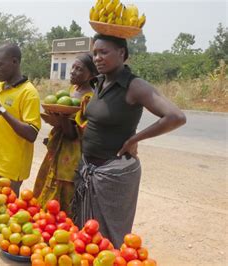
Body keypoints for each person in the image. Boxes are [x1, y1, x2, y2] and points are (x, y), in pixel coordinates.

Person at [72, 34, 186, 247]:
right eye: (95, 53)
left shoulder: (134, 86)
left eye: (104, 52)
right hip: (89, 167)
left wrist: (135, 138)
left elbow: (176, 117)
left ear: (121, 53)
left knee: (109, 239)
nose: (97, 58)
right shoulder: (99, 83)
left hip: (113, 175)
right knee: (85, 238)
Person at [33, 54, 98, 215]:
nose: (73, 72)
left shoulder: (89, 98)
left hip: (72, 152)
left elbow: (74, 134)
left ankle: (62, 223)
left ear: (91, 75)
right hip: (58, 147)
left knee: (65, 188)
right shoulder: (72, 91)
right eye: (73, 68)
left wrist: (61, 118)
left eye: (79, 69)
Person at [0, 43, 41, 194]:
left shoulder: (29, 93)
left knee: (5, 213)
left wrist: (1, 109)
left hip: (9, 169)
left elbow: (32, 133)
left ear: (14, 62)